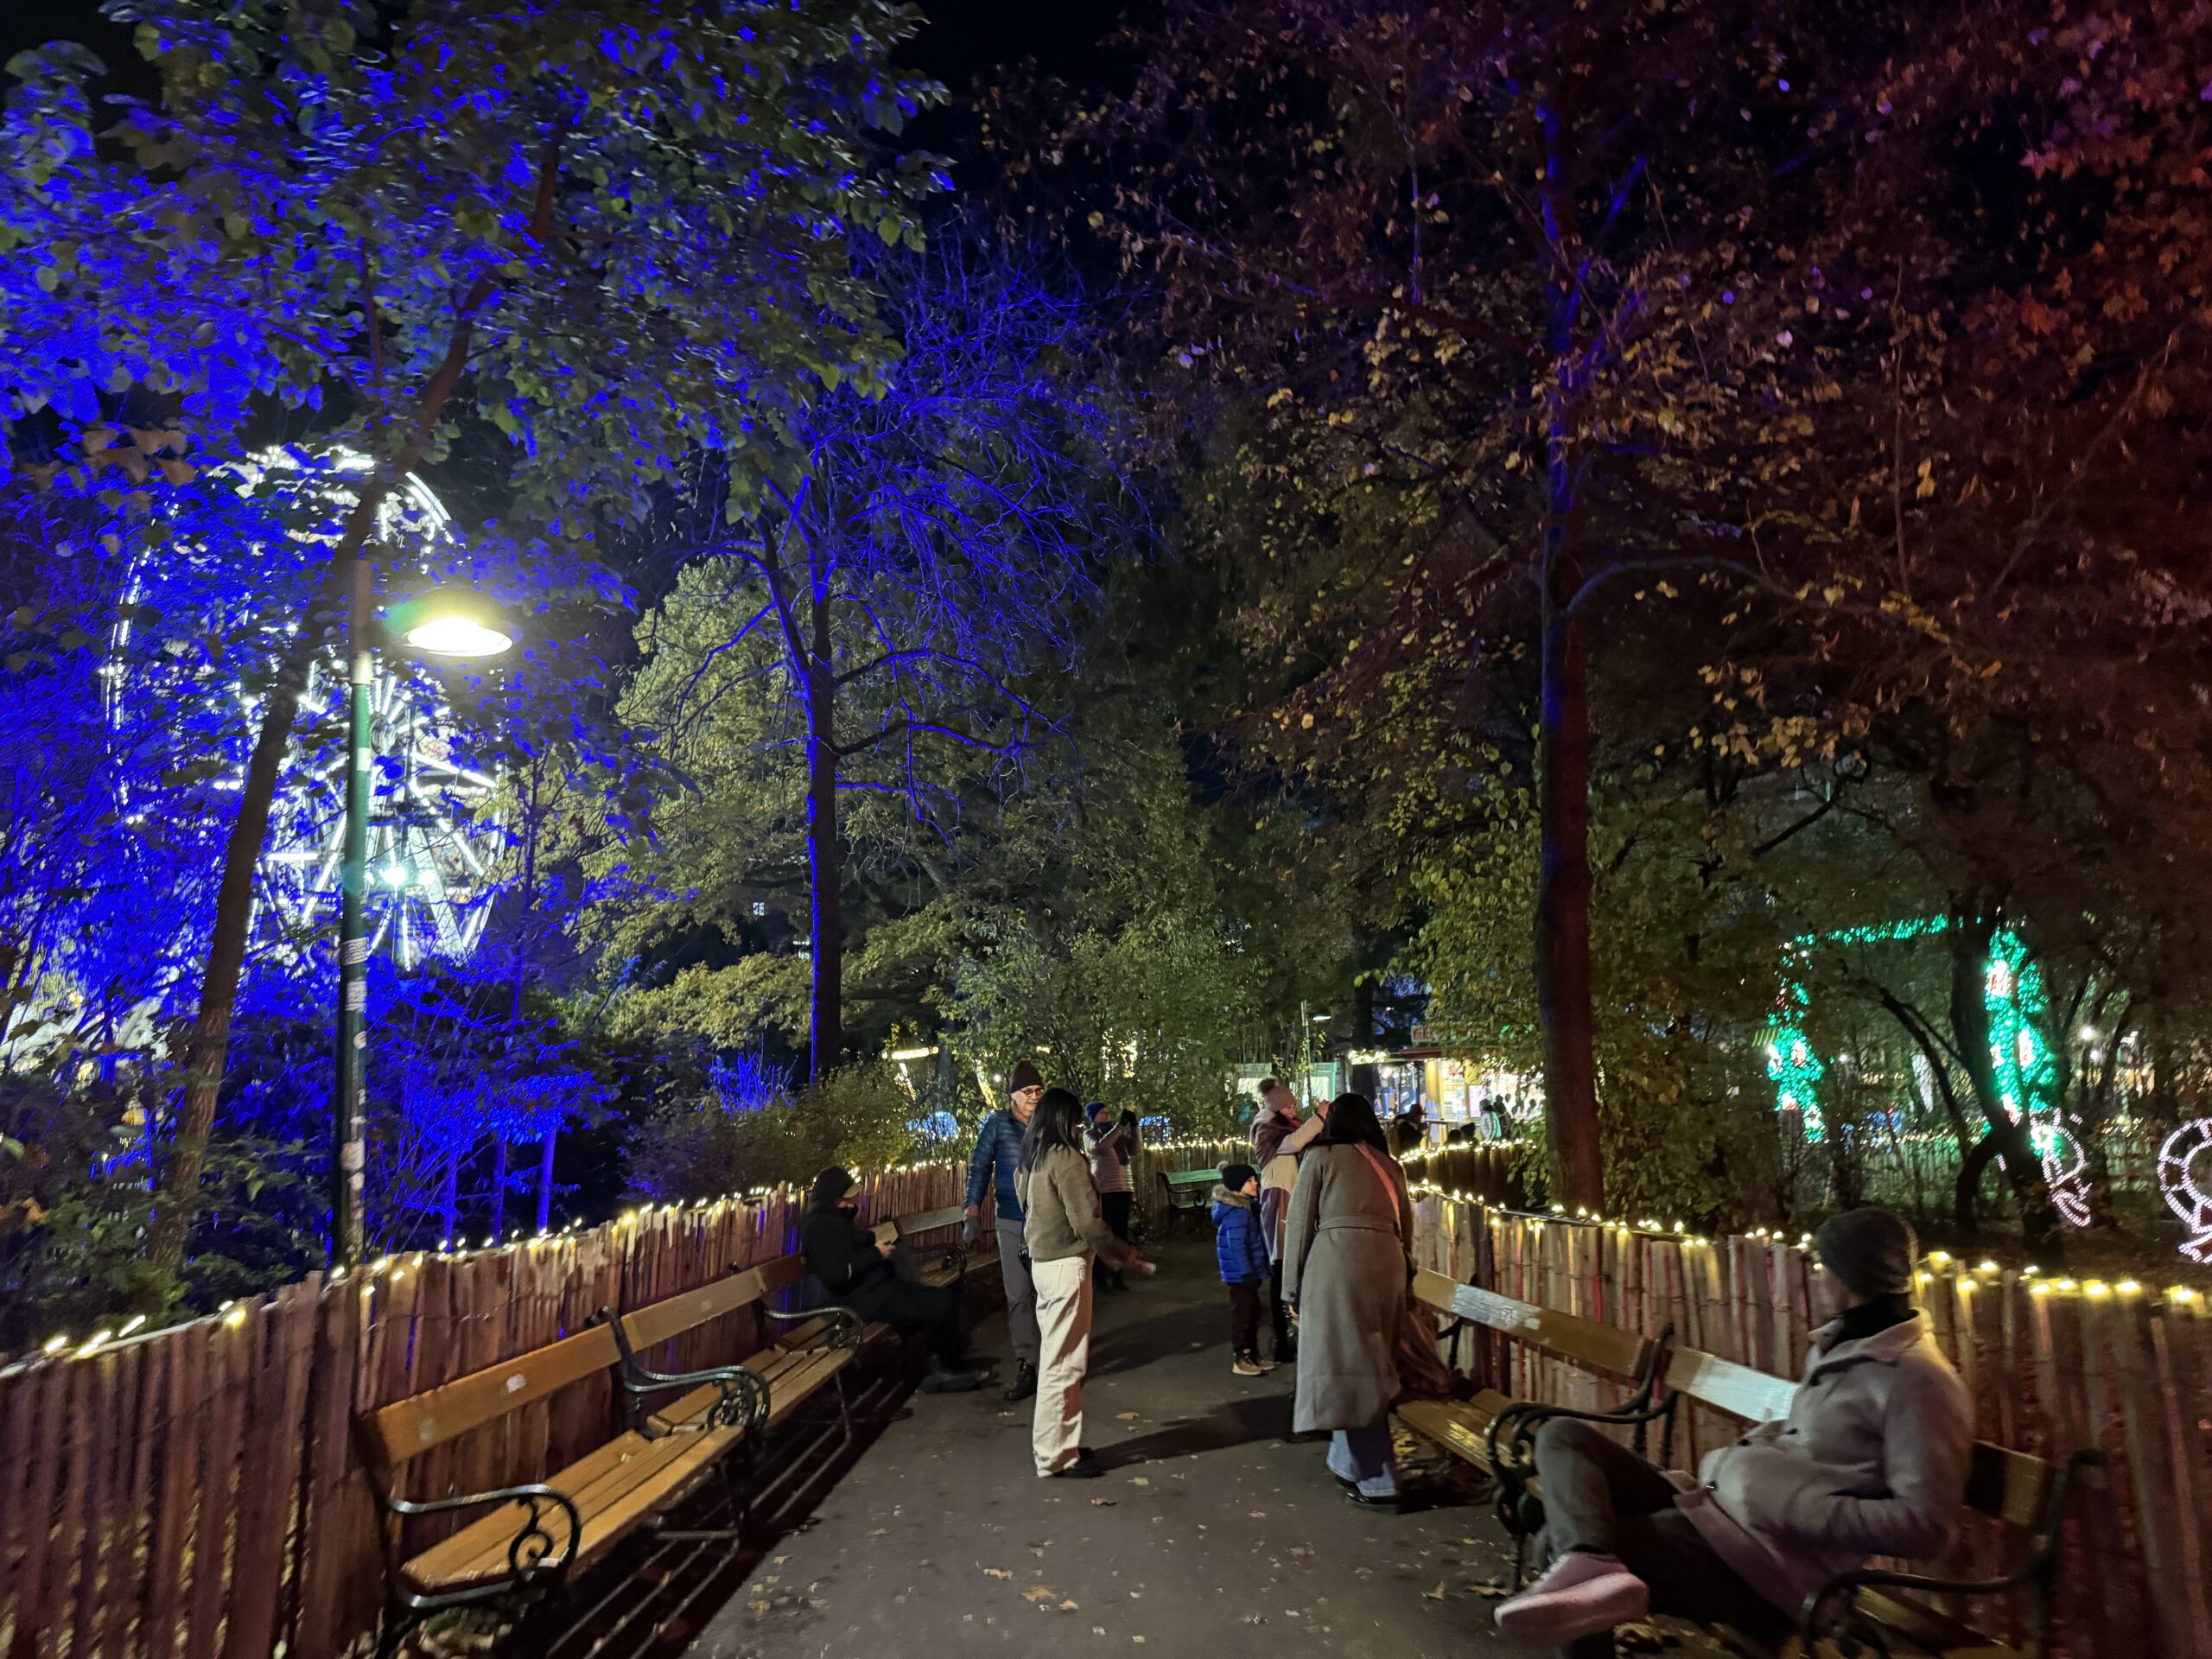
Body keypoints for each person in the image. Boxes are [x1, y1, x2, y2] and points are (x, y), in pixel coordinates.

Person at [1492, 1206, 1974, 1657]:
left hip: (1767, 1565)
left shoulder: (1919, 1381)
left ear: (1849, 1275)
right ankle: (1589, 1558)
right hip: (1717, 1511)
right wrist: (1749, 1463)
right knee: (1562, 1436)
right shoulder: (1841, 1346)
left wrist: (1787, 1503)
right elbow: (1811, 1447)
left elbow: (1926, 1528)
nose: (1815, 1275)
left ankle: (1586, 1562)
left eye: (1821, 1265)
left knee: (1553, 1536)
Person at [1281, 1091, 1414, 1507]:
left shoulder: (1321, 1157)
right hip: (1388, 1265)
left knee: (1348, 1368)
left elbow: (1299, 1224)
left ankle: (1378, 1478)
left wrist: (1291, 1289)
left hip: (1337, 1265)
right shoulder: (1390, 1166)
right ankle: (1346, 1461)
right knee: (1364, 1363)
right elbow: (1406, 1229)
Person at [1017, 1087, 1150, 1478]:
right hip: (1066, 1266)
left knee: (1057, 1361)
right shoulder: (1065, 1158)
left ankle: (1061, 1445)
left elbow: (1026, 1207)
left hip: (1044, 1265)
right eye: (1075, 1120)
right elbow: (1087, 1223)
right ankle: (1056, 1456)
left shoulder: (1031, 1157)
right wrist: (1122, 1253)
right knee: (1064, 1365)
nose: (1078, 1126)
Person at [800, 1167, 995, 1391]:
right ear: (832, 1199)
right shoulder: (819, 1228)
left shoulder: (831, 1221)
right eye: (846, 1199)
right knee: (941, 1304)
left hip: (876, 1291)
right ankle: (942, 1370)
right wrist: (876, 1253)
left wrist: (872, 1242)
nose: (851, 1203)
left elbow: (853, 1246)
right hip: (863, 1301)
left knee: (936, 1301)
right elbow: (838, 1273)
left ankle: (938, 1366)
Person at [967, 1060, 1045, 1402]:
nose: (1035, 1097)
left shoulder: (1048, 1123)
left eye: (1039, 1091)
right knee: (1018, 1294)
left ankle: (1055, 1359)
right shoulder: (998, 1124)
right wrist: (972, 1211)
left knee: (1049, 1292)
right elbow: (980, 1166)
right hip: (1011, 1221)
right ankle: (1027, 1362)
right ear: (1013, 1095)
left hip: (1046, 1222)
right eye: (1028, 1092)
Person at [1251, 1078, 1325, 1364]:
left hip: (1288, 1195)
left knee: (1287, 1267)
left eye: (1294, 1106)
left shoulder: (1281, 1126)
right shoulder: (1266, 1130)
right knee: (1281, 1266)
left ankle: (1287, 1336)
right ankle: (1281, 1339)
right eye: (1289, 1107)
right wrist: (1320, 1118)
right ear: (1277, 1108)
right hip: (1279, 1198)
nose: (1294, 1111)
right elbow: (1295, 1141)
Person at [1211, 1161, 1274, 1376]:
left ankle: (1252, 1353)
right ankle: (1241, 1357)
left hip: (1249, 1272)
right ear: (1239, 1185)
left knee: (1253, 1313)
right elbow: (1237, 1246)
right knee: (1243, 1315)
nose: (1255, 1183)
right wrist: (1246, 1272)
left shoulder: (1246, 1208)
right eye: (1250, 1180)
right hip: (1241, 1275)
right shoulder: (1237, 1213)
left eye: (1255, 1179)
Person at [1085, 1100, 1137, 1293]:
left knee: (1120, 1235)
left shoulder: (1118, 1134)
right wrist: (1120, 1126)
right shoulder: (1090, 1134)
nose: (1106, 1115)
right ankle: (1100, 1279)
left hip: (1123, 1188)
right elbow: (1101, 1146)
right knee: (1104, 1236)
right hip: (1104, 1190)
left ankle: (1117, 1278)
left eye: (1107, 1112)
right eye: (1101, 1113)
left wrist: (1134, 1126)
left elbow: (1135, 1149)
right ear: (1093, 1117)